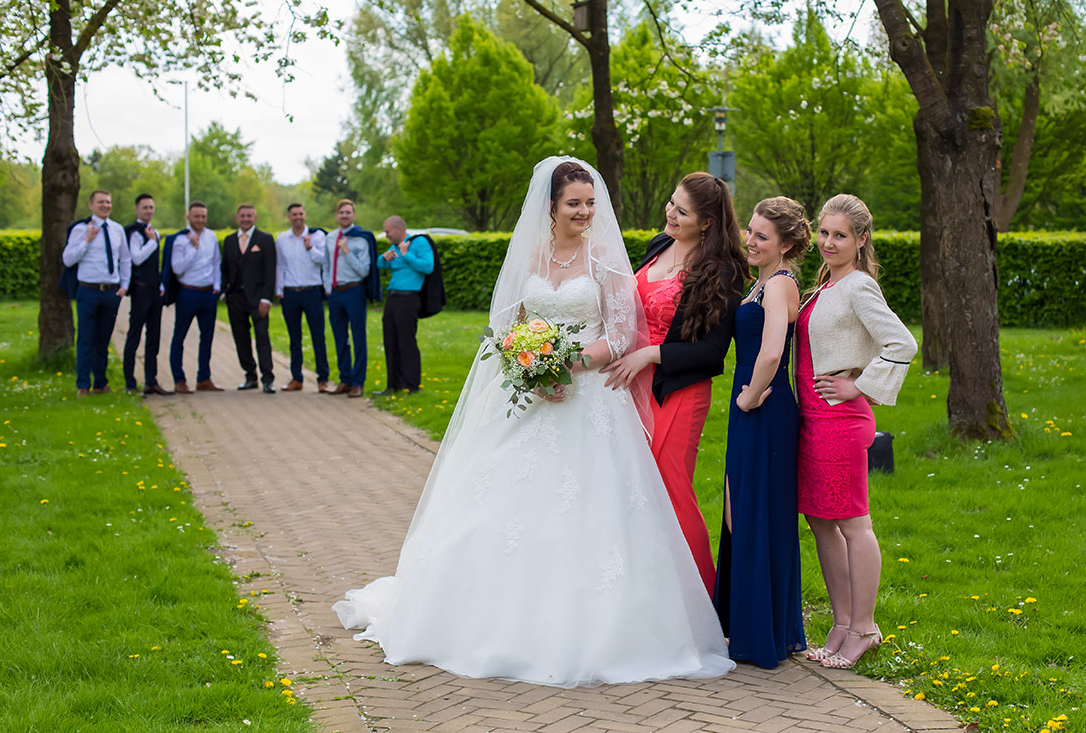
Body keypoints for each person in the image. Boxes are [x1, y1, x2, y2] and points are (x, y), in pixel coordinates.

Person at [332, 157, 735, 687]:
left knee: (600, 509)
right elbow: (508, 324)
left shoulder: (607, 260)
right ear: (550, 206)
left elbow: (620, 335)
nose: (585, 212)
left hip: (590, 398)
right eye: (574, 203)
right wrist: (528, 364)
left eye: (591, 203)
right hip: (529, 394)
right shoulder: (528, 256)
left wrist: (565, 363)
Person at [601, 173, 748, 596]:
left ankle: (701, 599)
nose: (670, 213)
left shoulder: (723, 270)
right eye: (671, 203)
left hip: (677, 391)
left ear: (707, 223)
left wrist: (650, 354)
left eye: (682, 211)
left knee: (670, 490)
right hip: (629, 388)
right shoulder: (659, 245)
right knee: (631, 489)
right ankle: (644, 593)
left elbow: (713, 351)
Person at [797, 194, 916, 669]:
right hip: (812, 419)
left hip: (841, 420)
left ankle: (865, 627)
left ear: (861, 239)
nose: (828, 242)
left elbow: (902, 341)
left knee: (852, 523)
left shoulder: (860, 286)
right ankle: (842, 622)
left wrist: (859, 386)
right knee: (822, 523)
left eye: (840, 235)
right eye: (824, 233)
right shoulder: (827, 283)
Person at [713, 197, 809, 668]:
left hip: (764, 409)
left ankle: (762, 634)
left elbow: (772, 351)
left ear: (786, 244)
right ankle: (749, 626)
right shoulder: (761, 283)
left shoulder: (780, 286)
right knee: (739, 510)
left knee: (754, 512)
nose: (750, 240)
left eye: (761, 236)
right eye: (749, 231)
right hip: (749, 408)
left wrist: (750, 396)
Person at [62, 189, 131, 396]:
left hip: (111, 293)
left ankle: (101, 383)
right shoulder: (81, 230)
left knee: (103, 339)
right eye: (101, 202)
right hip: (88, 291)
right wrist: (87, 241)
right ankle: (83, 384)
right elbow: (67, 259)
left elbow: (125, 259)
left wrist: (124, 284)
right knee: (85, 339)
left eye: (108, 202)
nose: (106, 206)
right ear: (91, 205)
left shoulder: (118, 229)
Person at [168, 200, 224, 393]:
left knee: (207, 337)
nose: (200, 220)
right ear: (188, 217)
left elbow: (216, 263)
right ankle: (179, 379)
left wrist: (217, 286)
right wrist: (193, 248)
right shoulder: (181, 239)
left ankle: (204, 378)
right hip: (188, 292)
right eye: (197, 216)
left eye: (203, 216)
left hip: (208, 293)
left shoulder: (212, 236)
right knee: (179, 336)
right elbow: (177, 269)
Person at [275, 203, 332, 392]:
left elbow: (324, 260)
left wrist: (309, 248)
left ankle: (323, 379)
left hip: (312, 291)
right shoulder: (282, 239)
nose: (298, 217)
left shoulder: (317, 236)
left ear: (305, 215)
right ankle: (296, 378)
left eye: (301, 213)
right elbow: (279, 266)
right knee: (294, 338)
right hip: (290, 292)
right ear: (288, 217)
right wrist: (278, 289)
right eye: (294, 214)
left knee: (318, 336)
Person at [322, 199, 375, 398]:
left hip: (355, 290)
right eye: (341, 212)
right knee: (339, 337)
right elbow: (326, 265)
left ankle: (357, 382)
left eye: (348, 212)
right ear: (336, 215)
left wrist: (346, 251)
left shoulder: (361, 239)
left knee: (358, 336)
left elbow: (364, 271)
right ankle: (345, 379)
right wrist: (328, 287)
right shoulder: (330, 237)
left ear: (353, 215)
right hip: (335, 293)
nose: (344, 215)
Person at [375, 216, 435, 394]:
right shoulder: (394, 246)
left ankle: (412, 385)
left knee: (406, 341)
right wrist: (384, 258)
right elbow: (380, 265)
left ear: (399, 228)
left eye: (387, 231)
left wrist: (407, 254)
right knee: (390, 340)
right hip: (393, 298)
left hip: (409, 298)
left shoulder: (419, 243)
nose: (386, 235)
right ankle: (393, 385)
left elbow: (428, 266)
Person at [222, 203, 277, 393]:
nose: (246, 219)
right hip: (235, 298)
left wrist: (266, 299)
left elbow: (270, 271)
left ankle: (268, 379)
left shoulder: (265, 239)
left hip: (258, 299)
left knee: (262, 336)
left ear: (255, 218)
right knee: (241, 338)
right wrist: (224, 292)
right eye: (242, 216)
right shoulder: (229, 241)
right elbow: (225, 269)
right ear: (237, 218)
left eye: (249, 216)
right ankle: (250, 376)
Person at [121, 193, 170, 395]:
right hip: (140, 289)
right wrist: (151, 242)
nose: (149, 211)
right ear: (137, 210)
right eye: (145, 207)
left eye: (151, 207)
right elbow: (137, 259)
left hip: (154, 290)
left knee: (154, 336)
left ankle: (151, 380)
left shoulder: (154, 232)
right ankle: (130, 383)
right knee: (134, 334)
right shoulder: (134, 233)